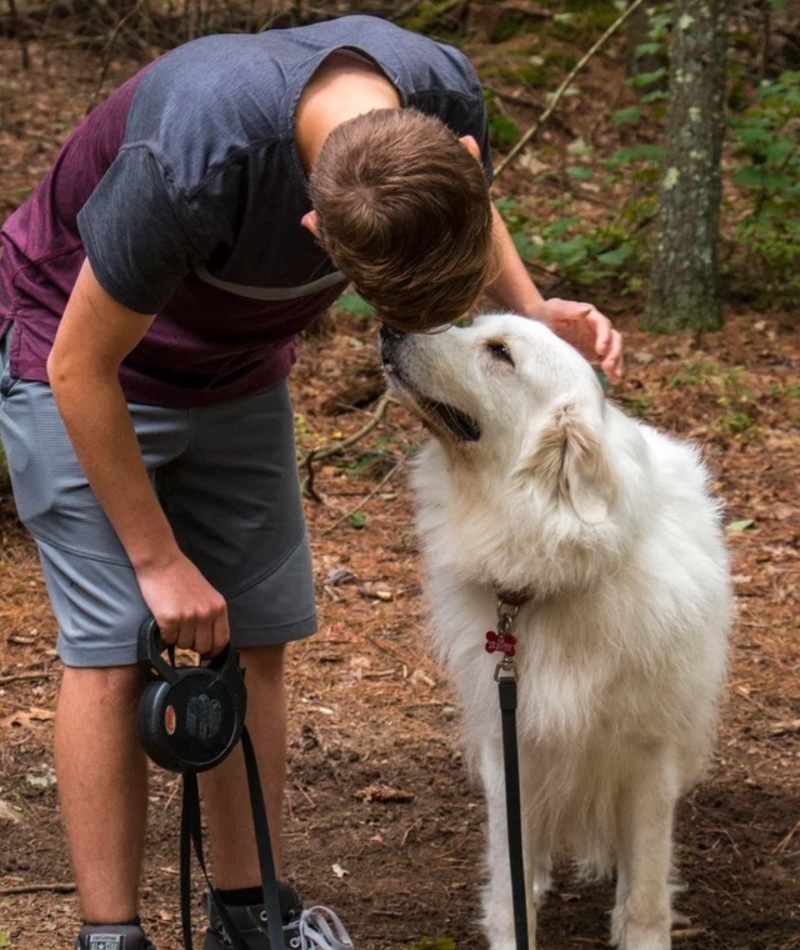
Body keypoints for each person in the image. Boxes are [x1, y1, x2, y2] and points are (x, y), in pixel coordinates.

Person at [0, 14, 623, 950]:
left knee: (258, 637)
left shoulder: (444, 93)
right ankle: (110, 935)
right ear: (315, 227)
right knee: (110, 646)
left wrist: (530, 310)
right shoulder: (194, 156)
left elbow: (464, 203)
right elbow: (77, 370)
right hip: (77, 354)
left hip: (238, 367)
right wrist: (158, 560)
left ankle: (253, 920)